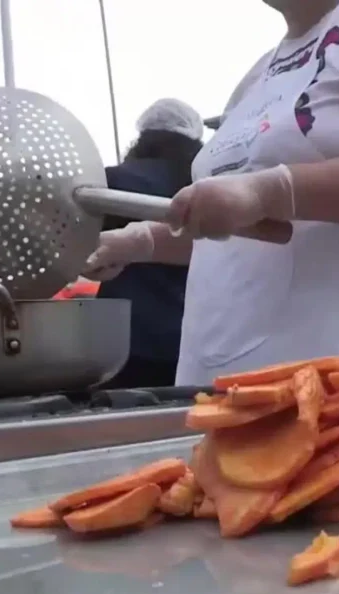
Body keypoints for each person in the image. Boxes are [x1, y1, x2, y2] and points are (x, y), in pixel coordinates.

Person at [84, 0, 339, 385]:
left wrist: (266, 191)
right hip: (218, 381)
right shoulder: (257, 77)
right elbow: (231, 228)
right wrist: (137, 242)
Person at [91, 99, 203, 388]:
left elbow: (84, 249)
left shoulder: (111, 181)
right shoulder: (207, 186)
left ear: (143, 137)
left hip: (124, 336)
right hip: (194, 333)